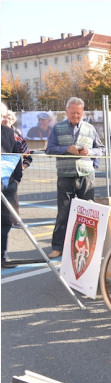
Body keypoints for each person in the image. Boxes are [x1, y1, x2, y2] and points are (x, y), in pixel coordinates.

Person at [45, 97, 104, 259]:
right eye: (72, 113)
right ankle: (58, 246)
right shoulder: (57, 128)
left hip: (86, 176)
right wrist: (66, 149)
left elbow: (100, 149)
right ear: (66, 111)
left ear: (82, 112)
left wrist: (90, 153)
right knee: (63, 213)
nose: (75, 116)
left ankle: (87, 245)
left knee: (87, 214)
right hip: (65, 176)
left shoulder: (90, 128)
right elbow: (49, 150)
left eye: (78, 113)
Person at [1, 102, 23, 266]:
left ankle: (2, 255)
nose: (3, 119)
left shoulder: (8, 132)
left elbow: (16, 156)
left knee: (5, 221)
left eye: (4, 116)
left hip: (7, 185)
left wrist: (16, 180)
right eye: (0, 116)